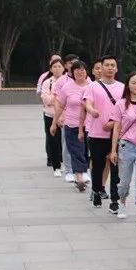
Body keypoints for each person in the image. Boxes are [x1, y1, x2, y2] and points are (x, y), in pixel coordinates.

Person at [109, 72, 136, 226]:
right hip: (126, 146)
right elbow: (116, 128)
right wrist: (113, 150)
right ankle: (122, 201)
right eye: (134, 82)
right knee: (124, 181)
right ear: (128, 85)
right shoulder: (120, 104)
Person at [83, 55, 124, 211]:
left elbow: (125, 110)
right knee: (97, 166)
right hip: (97, 133)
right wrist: (92, 111)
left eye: (113, 65)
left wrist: (113, 123)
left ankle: (114, 200)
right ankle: (96, 191)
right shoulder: (93, 86)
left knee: (115, 168)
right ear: (102, 67)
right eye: (107, 65)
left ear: (116, 68)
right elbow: (88, 103)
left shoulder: (122, 87)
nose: (110, 68)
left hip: (117, 133)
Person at [52, 59, 91, 192]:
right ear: (72, 72)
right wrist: (54, 122)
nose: (80, 72)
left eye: (82, 70)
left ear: (86, 71)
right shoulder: (67, 87)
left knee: (85, 151)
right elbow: (60, 106)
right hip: (71, 124)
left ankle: (83, 171)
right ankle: (79, 176)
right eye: (77, 70)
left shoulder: (92, 86)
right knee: (76, 150)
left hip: (90, 126)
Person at [40, 58, 65, 176]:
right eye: (54, 67)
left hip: (65, 117)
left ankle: (65, 163)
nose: (57, 69)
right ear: (50, 69)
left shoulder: (68, 81)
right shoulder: (47, 82)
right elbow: (46, 99)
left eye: (59, 66)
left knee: (64, 142)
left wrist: (55, 99)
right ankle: (56, 166)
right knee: (53, 140)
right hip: (50, 115)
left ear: (64, 68)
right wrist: (57, 98)